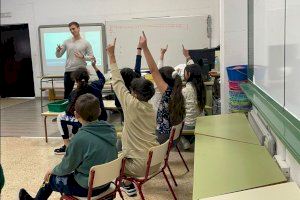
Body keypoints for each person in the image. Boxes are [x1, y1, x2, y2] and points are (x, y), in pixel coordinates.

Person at [19, 94, 118, 199]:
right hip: (106, 182)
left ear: (76, 115)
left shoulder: (80, 139)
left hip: (86, 188)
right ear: (99, 111)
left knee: (50, 179)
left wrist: (52, 170)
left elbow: (67, 167)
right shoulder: (110, 129)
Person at [106, 38, 159, 197]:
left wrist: (111, 55)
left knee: (104, 163)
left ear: (134, 94)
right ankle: (127, 183)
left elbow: (117, 82)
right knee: (122, 147)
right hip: (155, 162)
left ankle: (124, 185)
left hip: (140, 166)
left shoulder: (131, 104)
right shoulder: (151, 108)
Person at [140, 32, 185, 144]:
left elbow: (154, 71)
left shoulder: (166, 93)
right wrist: (161, 55)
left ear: (162, 81)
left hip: (161, 137)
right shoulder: (177, 91)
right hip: (172, 136)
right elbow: (158, 71)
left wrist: (144, 48)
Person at [54, 58, 107, 154]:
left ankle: (67, 145)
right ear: (88, 77)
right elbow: (102, 79)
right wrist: (94, 66)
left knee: (61, 117)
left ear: (75, 80)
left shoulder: (74, 93)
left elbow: (69, 112)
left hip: (86, 121)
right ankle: (75, 136)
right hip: (101, 117)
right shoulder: (96, 85)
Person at [56, 21, 94, 99]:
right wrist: (57, 50)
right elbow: (58, 55)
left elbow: (92, 57)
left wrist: (83, 57)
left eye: (73, 29)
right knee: (67, 92)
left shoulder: (86, 43)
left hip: (81, 71)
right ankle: (67, 110)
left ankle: (84, 109)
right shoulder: (66, 42)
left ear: (79, 28)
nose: (72, 31)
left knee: (83, 92)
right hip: (69, 70)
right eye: (70, 30)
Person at [181, 64, 206, 149]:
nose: (183, 75)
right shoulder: (201, 88)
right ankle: (192, 139)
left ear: (188, 74)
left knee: (171, 122)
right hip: (201, 123)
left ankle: (185, 141)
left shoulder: (184, 91)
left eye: (184, 73)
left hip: (189, 125)